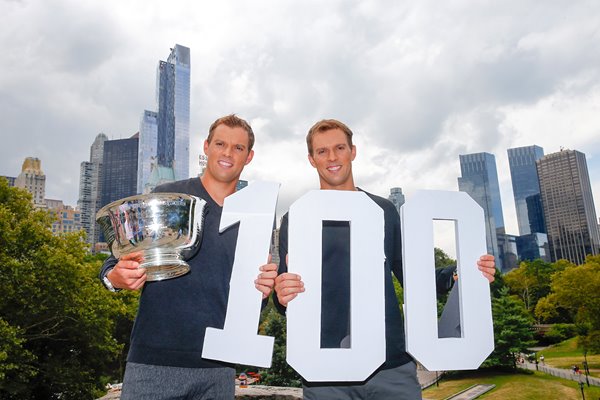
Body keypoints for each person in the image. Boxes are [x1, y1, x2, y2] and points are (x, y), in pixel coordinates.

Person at [273, 119, 496, 400]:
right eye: (322, 151)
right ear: (311, 159)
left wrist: (461, 272)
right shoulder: (296, 219)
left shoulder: (384, 210)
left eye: (339, 147)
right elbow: (282, 303)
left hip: (390, 366)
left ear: (353, 151)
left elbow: (414, 275)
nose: (332, 157)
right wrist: (282, 295)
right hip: (325, 372)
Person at [99, 115, 278, 399]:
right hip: (153, 362)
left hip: (218, 370)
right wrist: (114, 278)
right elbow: (114, 261)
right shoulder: (168, 196)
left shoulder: (256, 218)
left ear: (249, 156)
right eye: (220, 144)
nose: (227, 153)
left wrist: (263, 290)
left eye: (238, 148)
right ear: (206, 146)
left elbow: (253, 300)